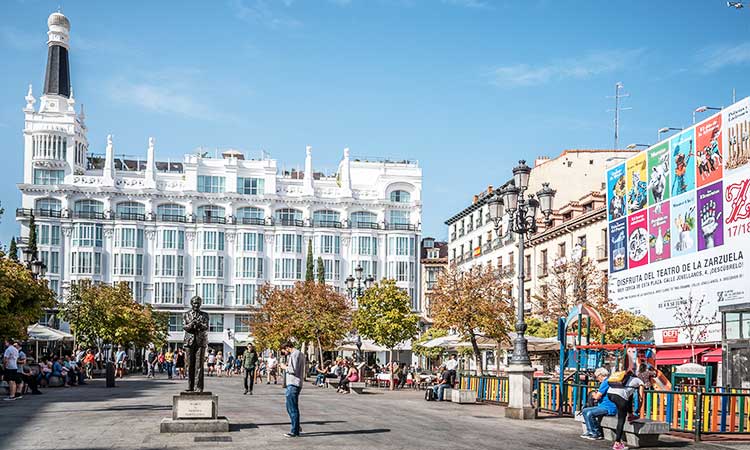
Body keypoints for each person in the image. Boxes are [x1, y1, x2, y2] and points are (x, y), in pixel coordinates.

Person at [607, 371, 646, 450]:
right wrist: (638, 410)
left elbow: (629, 398)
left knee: (625, 401)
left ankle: (630, 415)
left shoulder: (622, 381)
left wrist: (631, 412)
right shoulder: (638, 380)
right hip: (620, 396)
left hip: (610, 394)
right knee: (621, 419)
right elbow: (641, 397)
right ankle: (617, 443)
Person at [580, 367, 617, 440]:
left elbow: (597, 397)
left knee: (589, 413)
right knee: (584, 411)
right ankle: (590, 431)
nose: (597, 379)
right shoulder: (607, 382)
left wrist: (593, 394)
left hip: (608, 407)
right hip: (603, 406)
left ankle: (596, 433)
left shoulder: (605, 383)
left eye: (597, 377)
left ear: (600, 375)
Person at [279, 340, 304, 438]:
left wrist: (284, 366)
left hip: (293, 383)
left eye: (284, 351)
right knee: (290, 407)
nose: (284, 354)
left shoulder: (294, 354)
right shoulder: (300, 354)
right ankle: (296, 425)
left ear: (287, 348)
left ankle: (295, 431)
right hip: (296, 383)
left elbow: (292, 370)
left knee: (292, 408)